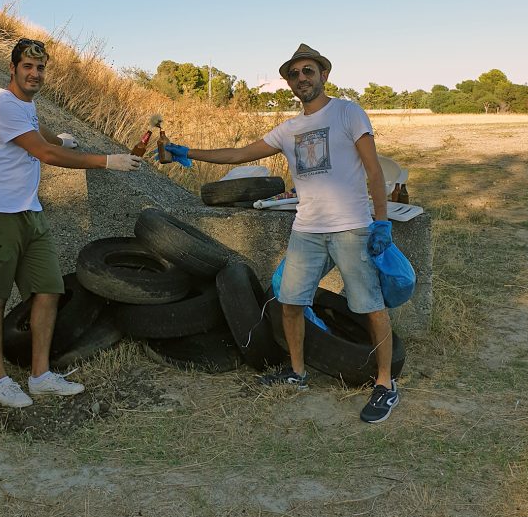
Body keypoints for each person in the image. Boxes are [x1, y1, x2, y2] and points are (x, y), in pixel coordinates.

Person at [160, 43, 399, 424]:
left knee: (369, 306)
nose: (302, 78)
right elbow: (239, 155)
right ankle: (298, 373)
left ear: (323, 75)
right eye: (294, 74)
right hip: (306, 230)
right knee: (290, 302)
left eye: (308, 71)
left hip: (350, 227)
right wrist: (189, 151)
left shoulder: (348, 112)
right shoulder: (288, 130)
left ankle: (385, 385)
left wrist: (381, 220)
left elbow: (374, 171)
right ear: (288, 83)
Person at [0, 36, 141, 408]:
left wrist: (61, 138)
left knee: (48, 289)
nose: (34, 73)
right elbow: (44, 153)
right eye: (27, 67)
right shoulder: (2, 106)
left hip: (28, 210)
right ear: (12, 69)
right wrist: (105, 160)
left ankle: (40, 375)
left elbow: (41, 134)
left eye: (40, 68)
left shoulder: (25, 107)